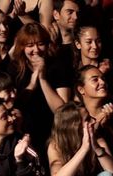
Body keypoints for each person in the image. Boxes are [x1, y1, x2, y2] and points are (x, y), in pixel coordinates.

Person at [8, 22, 68, 159]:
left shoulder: (58, 65)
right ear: (22, 47)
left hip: (53, 130)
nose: (36, 50)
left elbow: (61, 111)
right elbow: (13, 105)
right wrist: (31, 84)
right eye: (30, 45)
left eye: (40, 44)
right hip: (25, 131)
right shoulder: (15, 68)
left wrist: (42, 78)